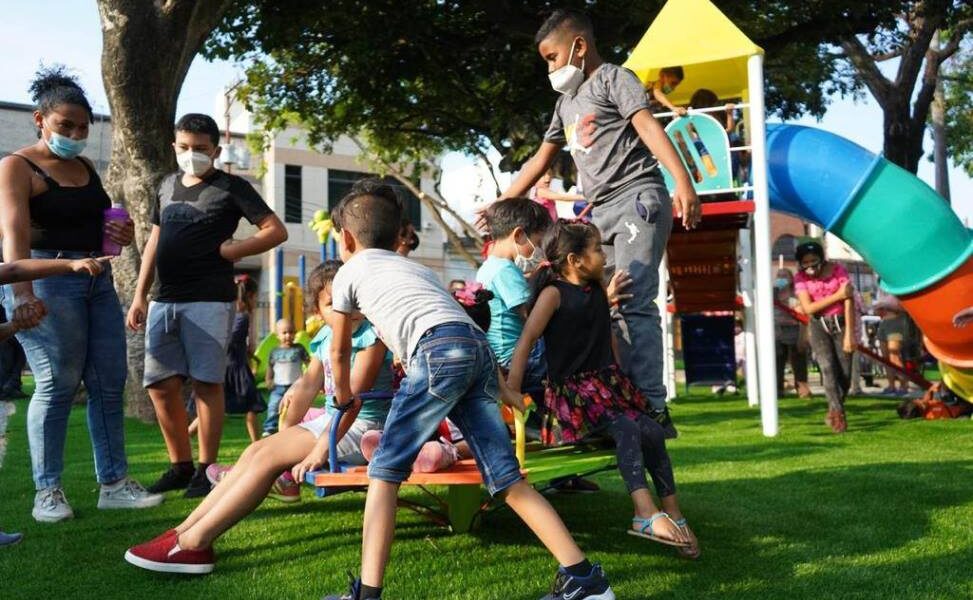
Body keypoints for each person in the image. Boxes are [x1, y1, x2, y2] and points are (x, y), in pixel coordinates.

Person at [320, 181, 614, 600]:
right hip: (474, 349)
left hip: (438, 352)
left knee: (383, 472)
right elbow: (465, 328)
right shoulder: (418, 270)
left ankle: (366, 595)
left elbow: (339, 348)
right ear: (395, 235)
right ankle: (586, 580)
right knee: (507, 478)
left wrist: (342, 397)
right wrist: (502, 386)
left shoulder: (348, 272)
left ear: (347, 239)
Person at [491, 9, 701, 439]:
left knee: (632, 299)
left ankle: (652, 404)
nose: (550, 69)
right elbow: (541, 159)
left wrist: (682, 180)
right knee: (595, 304)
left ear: (579, 46)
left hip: (636, 198)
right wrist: (504, 200)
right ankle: (609, 399)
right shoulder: (565, 104)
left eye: (552, 58)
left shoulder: (613, 79)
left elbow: (648, 127)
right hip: (599, 212)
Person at [124, 260, 394, 574]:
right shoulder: (325, 337)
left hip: (364, 429)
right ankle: (184, 530)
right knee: (255, 450)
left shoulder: (370, 339)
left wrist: (320, 449)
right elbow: (309, 385)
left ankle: (195, 543)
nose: (347, 311)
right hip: (332, 423)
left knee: (266, 459)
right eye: (334, 304)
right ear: (318, 311)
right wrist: (288, 427)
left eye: (353, 301)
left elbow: (353, 399)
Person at [0, 66, 162, 522]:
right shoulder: (16, 166)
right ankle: (47, 492)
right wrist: (22, 295)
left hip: (97, 279)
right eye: (64, 125)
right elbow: (13, 236)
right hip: (47, 279)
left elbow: (101, 225)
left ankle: (114, 483)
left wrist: (123, 233)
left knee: (109, 382)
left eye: (82, 128)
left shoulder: (86, 167)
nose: (74, 135)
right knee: (56, 384)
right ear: (40, 120)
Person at [506, 219, 697, 559]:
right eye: (597, 250)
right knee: (626, 428)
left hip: (606, 389)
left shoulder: (595, 290)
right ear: (575, 260)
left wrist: (620, 379)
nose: (605, 256)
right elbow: (527, 341)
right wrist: (512, 391)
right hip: (573, 400)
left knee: (653, 431)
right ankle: (643, 512)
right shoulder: (553, 295)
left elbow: (605, 337)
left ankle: (674, 514)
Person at [127, 113, 288, 498]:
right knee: (160, 385)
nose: (191, 154)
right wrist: (139, 295)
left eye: (200, 148)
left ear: (215, 150)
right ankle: (180, 466)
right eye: (184, 147)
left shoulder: (232, 187)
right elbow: (154, 241)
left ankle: (206, 468)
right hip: (163, 299)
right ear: (174, 147)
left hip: (210, 300)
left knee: (206, 383)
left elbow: (275, 230)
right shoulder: (166, 185)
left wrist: (234, 250)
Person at [793, 241, 856, 433]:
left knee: (844, 374)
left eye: (813, 260)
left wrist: (850, 335)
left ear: (821, 258)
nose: (810, 266)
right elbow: (809, 308)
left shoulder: (838, 270)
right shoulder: (799, 278)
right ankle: (838, 415)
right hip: (818, 325)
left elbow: (848, 301)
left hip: (841, 324)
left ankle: (834, 408)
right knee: (827, 369)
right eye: (805, 262)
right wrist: (837, 295)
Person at [224, 276, 265, 444]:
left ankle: (188, 433)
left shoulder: (230, 313)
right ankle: (257, 443)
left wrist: (250, 354)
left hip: (227, 366)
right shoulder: (243, 316)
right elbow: (232, 339)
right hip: (237, 369)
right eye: (255, 297)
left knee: (216, 407)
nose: (255, 301)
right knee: (252, 406)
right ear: (249, 295)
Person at [263, 317, 310, 436]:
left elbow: (309, 363)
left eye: (291, 332)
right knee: (273, 406)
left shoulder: (299, 349)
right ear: (277, 335)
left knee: (298, 406)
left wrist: (308, 377)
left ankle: (300, 425)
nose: (288, 335)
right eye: (284, 333)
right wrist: (268, 379)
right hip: (278, 386)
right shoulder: (274, 351)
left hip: (295, 386)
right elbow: (270, 367)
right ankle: (270, 427)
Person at [773, 268, 811, 398]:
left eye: (785, 275)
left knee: (798, 360)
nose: (782, 278)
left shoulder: (797, 293)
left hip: (794, 328)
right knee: (778, 360)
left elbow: (803, 313)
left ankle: (802, 388)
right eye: (779, 275)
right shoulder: (772, 293)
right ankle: (777, 390)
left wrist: (803, 336)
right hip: (777, 329)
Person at [874, 295, 921, 395]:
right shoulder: (882, 291)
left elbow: (906, 307)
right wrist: (878, 309)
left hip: (897, 322)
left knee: (894, 356)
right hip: (884, 322)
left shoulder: (899, 290)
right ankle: (891, 386)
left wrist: (887, 307)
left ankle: (903, 385)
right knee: (885, 358)